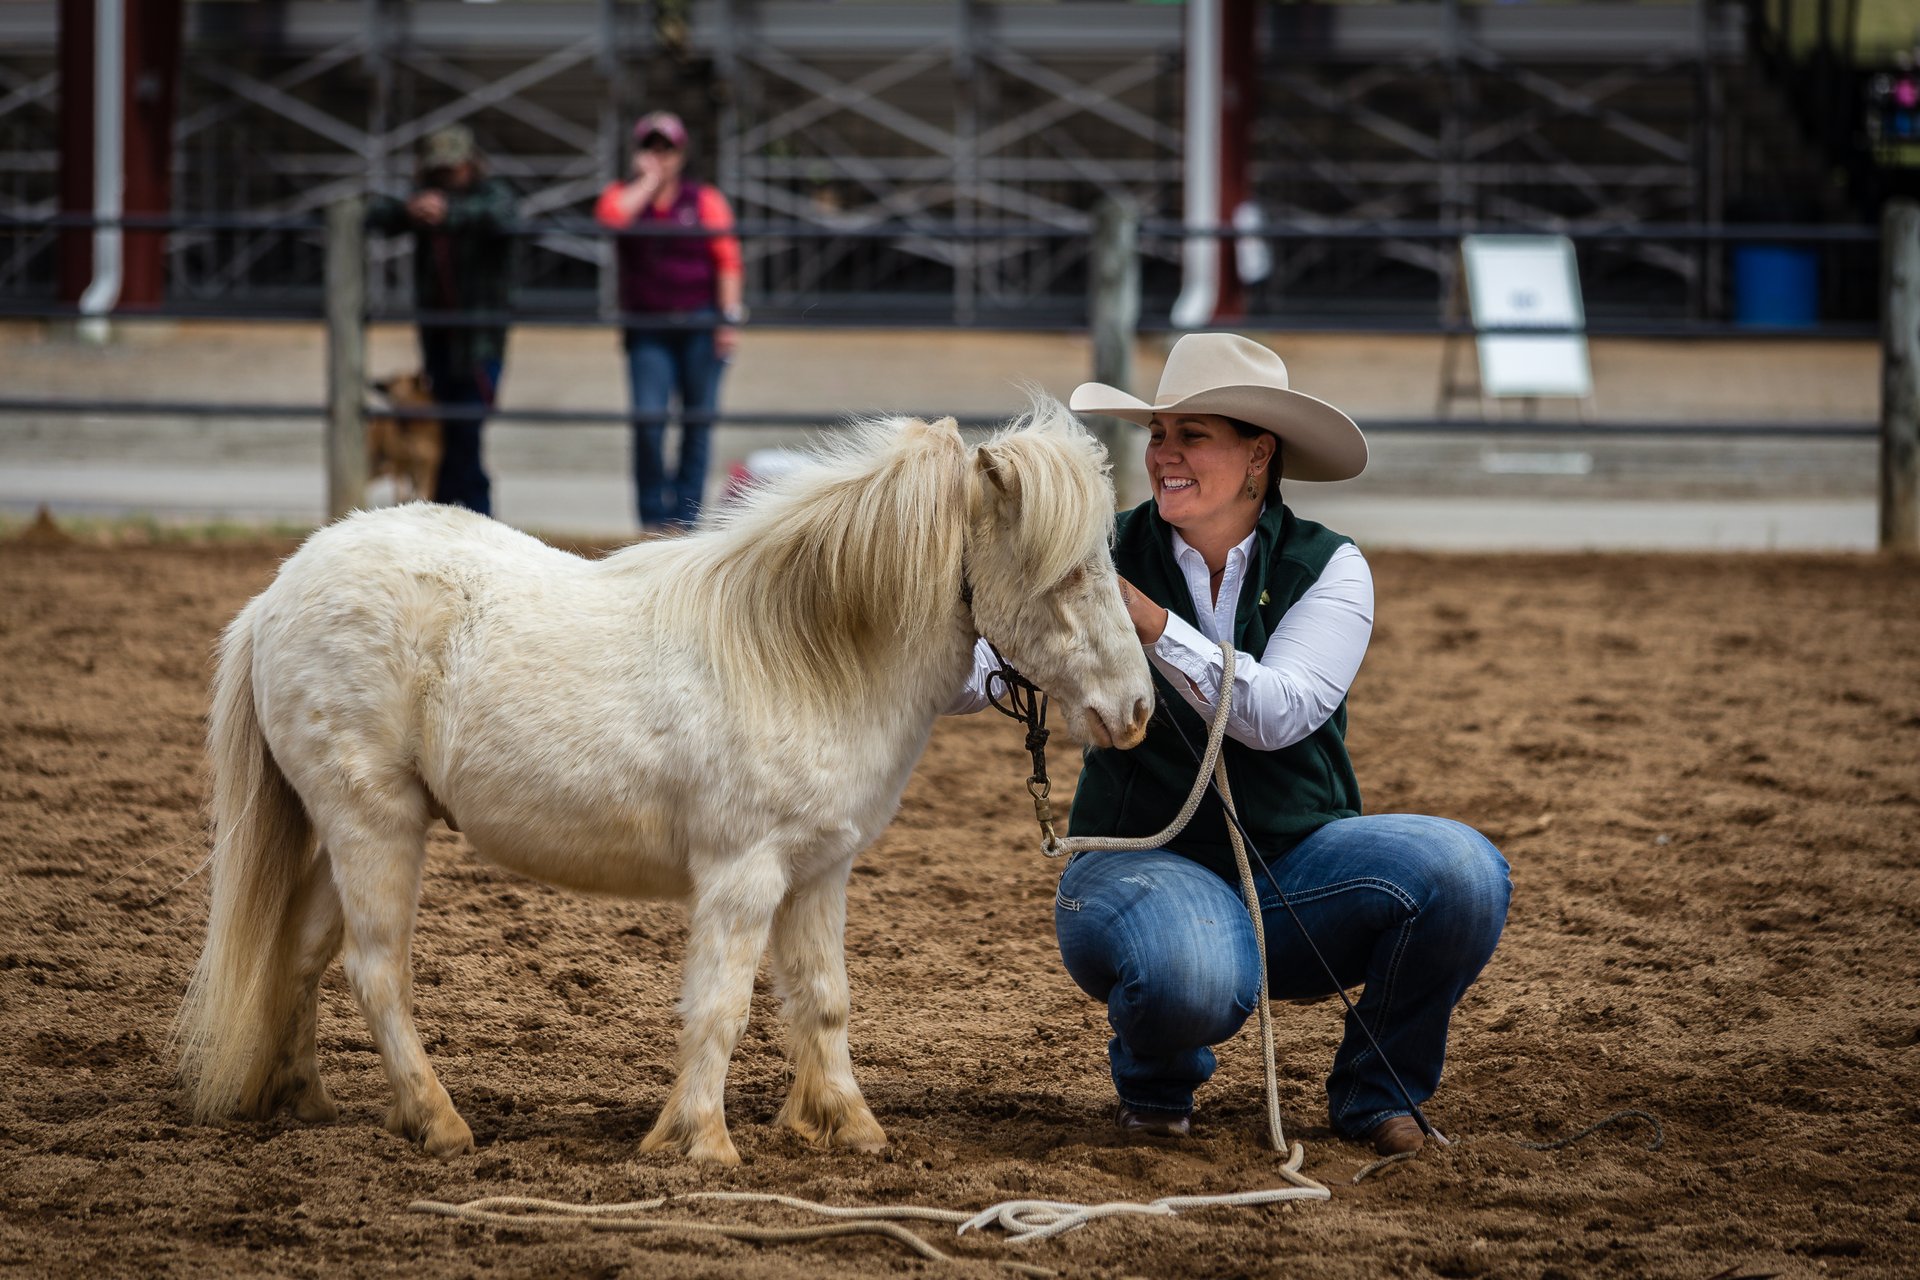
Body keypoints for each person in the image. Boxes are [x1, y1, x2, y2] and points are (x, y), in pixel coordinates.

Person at [948, 334, 1511, 1157]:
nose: (1165, 455)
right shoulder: (1091, 551)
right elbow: (976, 677)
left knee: (1462, 871)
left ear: (1259, 455)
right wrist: (943, 612)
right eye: (1158, 434)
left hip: (1295, 861)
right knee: (1194, 971)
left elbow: (1276, 714)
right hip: (1135, 858)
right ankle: (1156, 1093)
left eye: (1193, 435)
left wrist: (1151, 626)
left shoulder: (1331, 568)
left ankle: (1379, 1096)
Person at [595, 110, 745, 530]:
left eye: (668, 148)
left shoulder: (705, 200)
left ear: (682, 153)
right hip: (647, 328)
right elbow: (611, 219)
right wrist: (646, 182)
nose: (660, 155)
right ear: (638, 152)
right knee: (648, 422)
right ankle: (651, 521)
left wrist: (728, 320)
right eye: (651, 147)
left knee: (697, 425)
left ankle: (685, 522)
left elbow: (727, 260)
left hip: (699, 321)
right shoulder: (622, 195)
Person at [365, 124, 516, 516]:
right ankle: (456, 526)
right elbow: (372, 213)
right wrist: (409, 210)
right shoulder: (423, 202)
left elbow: (501, 213)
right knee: (443, 443)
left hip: (480, 344)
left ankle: (479, 525)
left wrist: (448, 213)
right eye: (438, 171)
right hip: (439, 345)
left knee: (463, 440)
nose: (446, 178)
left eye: (453, 169)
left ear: (470, 165)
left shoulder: (490, 196)